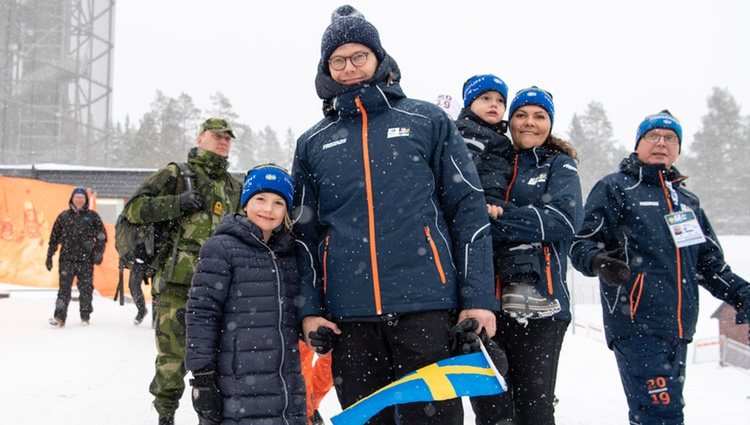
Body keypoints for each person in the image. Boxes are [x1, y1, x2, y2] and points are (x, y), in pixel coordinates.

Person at [292, 5, 498, 424]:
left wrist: (477, 300)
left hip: (427, 309)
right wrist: (310, 309)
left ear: (379, 58)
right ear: (326, 68)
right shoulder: (313, 142)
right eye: (338, 60)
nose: (349, 67)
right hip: (350, 318)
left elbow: (468, 212)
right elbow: (304, 235)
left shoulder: (427, 121)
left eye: (358, 56)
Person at [570, 110, 750, 425]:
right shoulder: (616, 188)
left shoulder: (686, 201)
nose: (661, 143)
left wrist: (741, 293)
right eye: (653, 136)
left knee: (662, 413)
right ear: (638, 143)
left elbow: (708, 264)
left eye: (670, 138)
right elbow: (581, 242)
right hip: (635, 322)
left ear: (678, 148)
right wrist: (599, 262)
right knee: (660, 414)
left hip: (679, 328)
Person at [122, 117, 242, 425]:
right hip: (177, 287)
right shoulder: (178, 174)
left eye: (228, 138)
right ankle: (166, 416)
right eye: (217, 136)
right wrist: (176, 203)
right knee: (172, 363)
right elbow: (134, 209)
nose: (223, 141)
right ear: (200, 138)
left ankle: (211, 417)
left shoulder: (233, 186)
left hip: (220, 291)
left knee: (217, 363)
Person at [475, 87, 583, 425]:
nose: (529, 123)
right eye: (521, 115)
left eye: (539, 116)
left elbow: (563, 221)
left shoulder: (560, 165)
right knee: (491, 412)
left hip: (542, 308)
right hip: (487, 306)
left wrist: (497, 217)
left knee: (533, 411)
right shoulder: (494, 161)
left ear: (550, 123)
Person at [185, 164, 306, 425]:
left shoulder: (289, 253)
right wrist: (203, 378)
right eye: (260, 199)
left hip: (285, 385)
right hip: (236, 384)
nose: (268, 209)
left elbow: (294, 312)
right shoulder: (221, 248)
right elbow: (202, 312)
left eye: (278, 203)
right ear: (245, 202)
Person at [45, 187, 107, 327]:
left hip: (86, 260)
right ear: (72, 199)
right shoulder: (63, 217)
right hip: (67, 259)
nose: (79, 200)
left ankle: (85, 316)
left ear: (85, 200)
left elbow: (102, 236)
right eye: (77, 197)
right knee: (64, 289)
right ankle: (59, 317)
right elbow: (54, 238)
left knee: (86, 288)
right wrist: (49, 256)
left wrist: (98, 252)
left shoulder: (92, 216)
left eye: (82, 198)